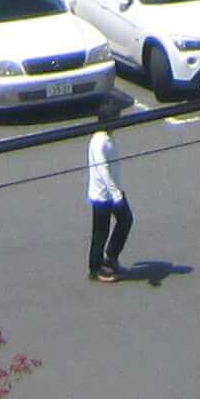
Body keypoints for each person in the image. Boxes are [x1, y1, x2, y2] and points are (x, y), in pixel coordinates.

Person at [84, 96, 131, 282]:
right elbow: (103, 170)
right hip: (103, 195)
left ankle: (111, 257)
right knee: (101, 231)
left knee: (125, 220)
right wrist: (115, 193)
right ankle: (95, 267)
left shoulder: (107, 138)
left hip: (114, 191)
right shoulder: (99, 142)